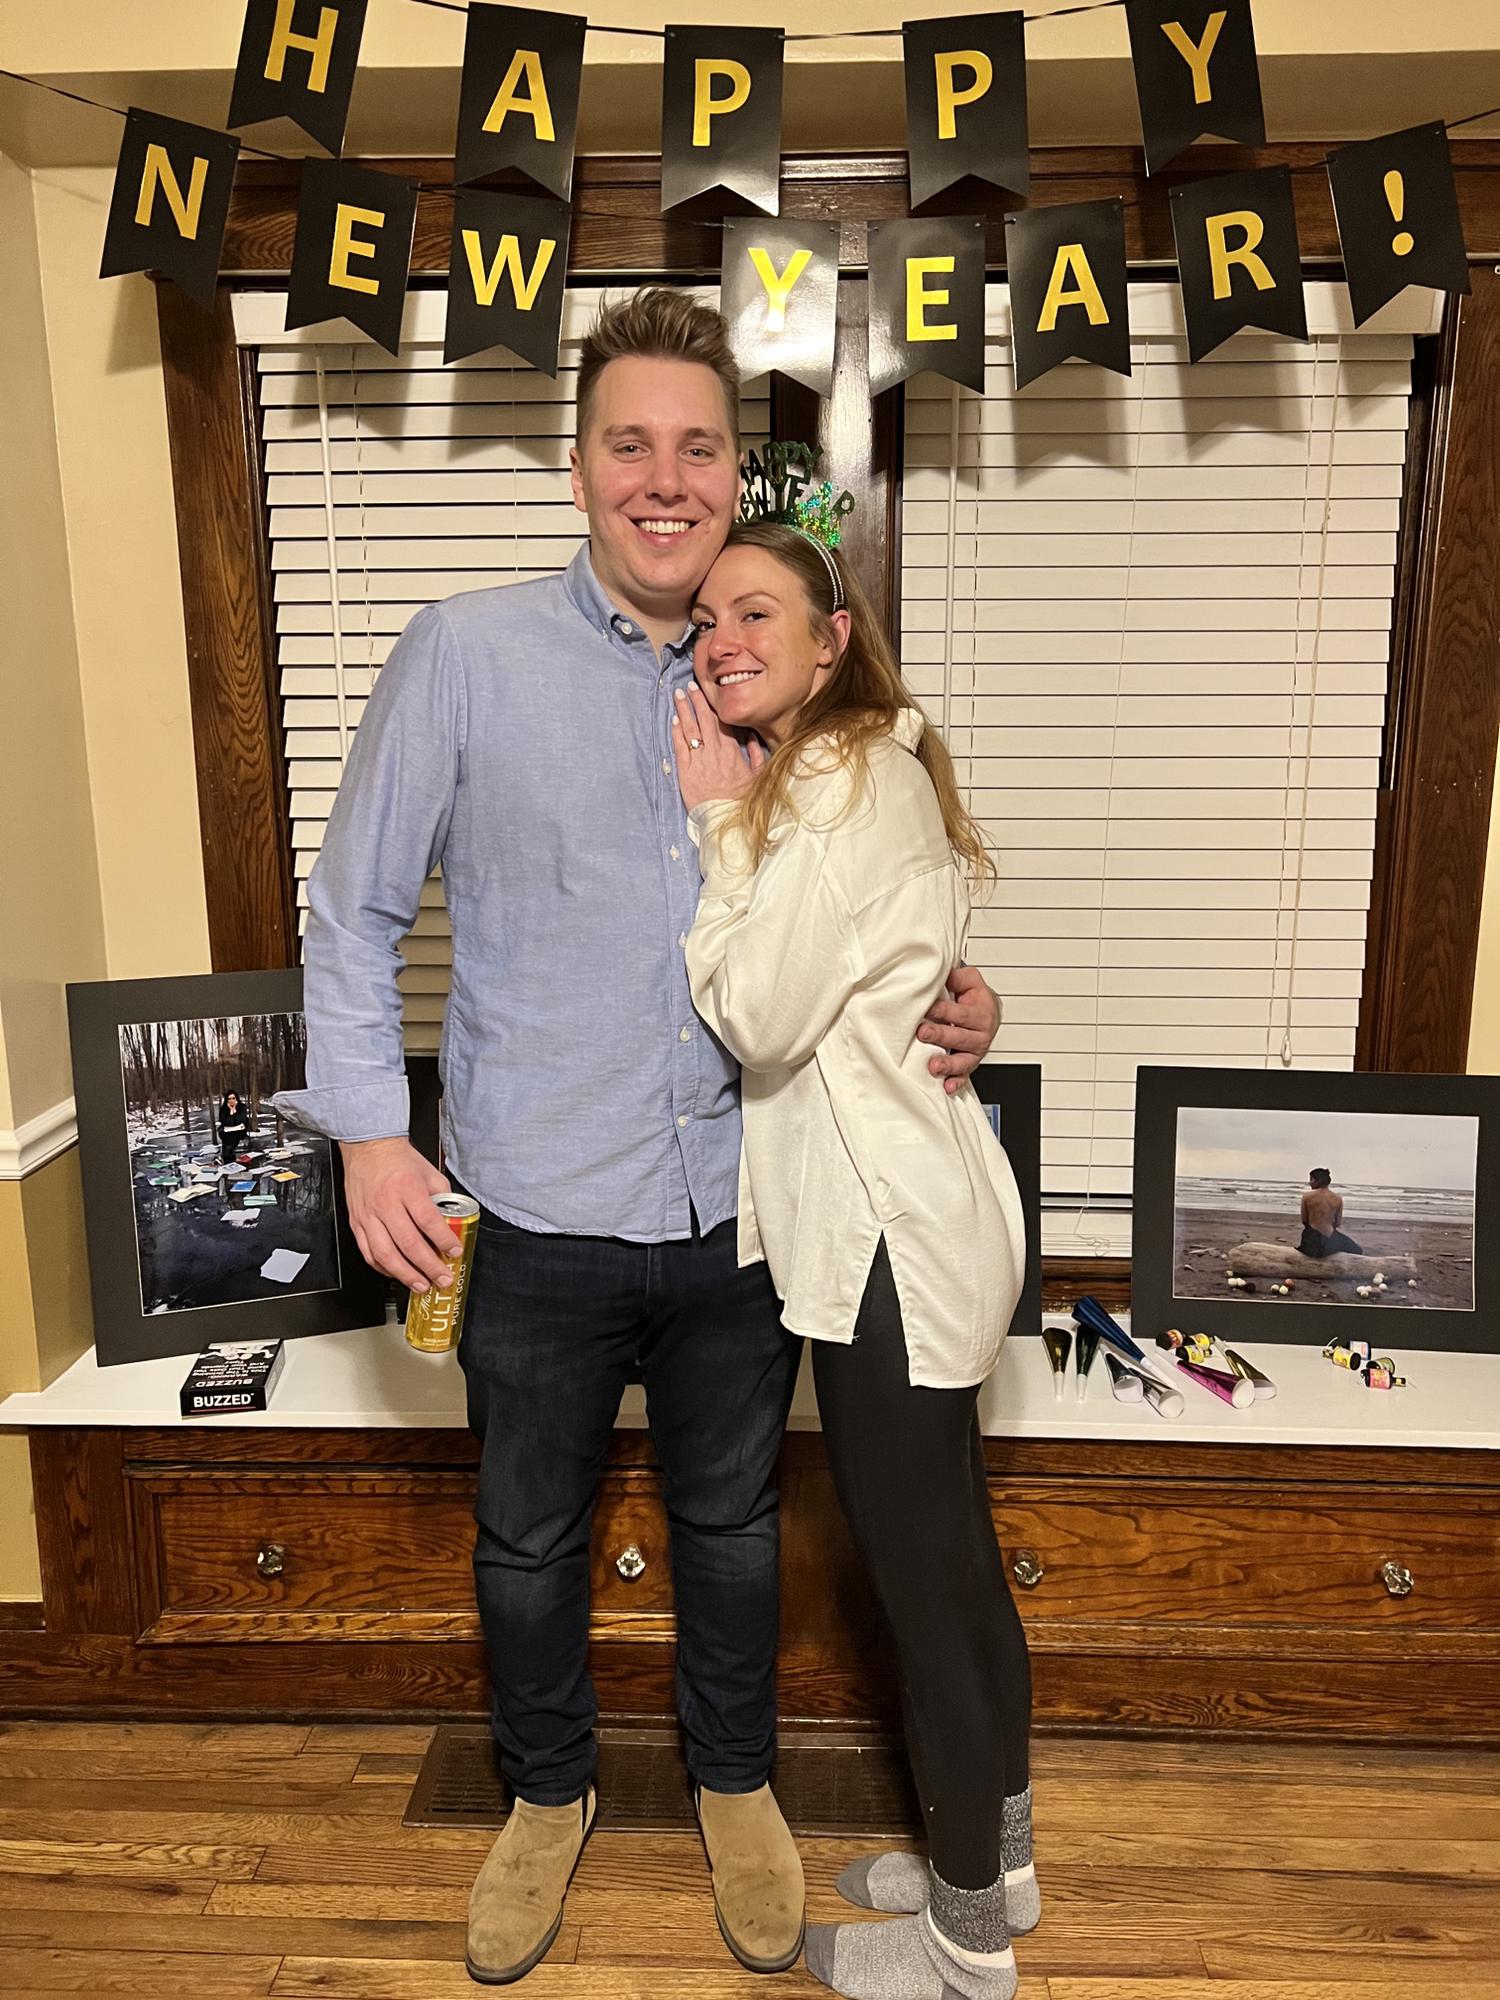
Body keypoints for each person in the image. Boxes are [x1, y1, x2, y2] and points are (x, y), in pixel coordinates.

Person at [269, 289, 1002, 1987]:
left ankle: (736, 1784)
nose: (664, 479)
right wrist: (371, 1136)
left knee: (734, 1524)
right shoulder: (464, 655)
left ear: (736, 471)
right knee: (528, 1539)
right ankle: (547, 1792)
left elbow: (878, 889)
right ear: (580, 465)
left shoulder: (784, 668)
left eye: (697, 448)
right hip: (530, 1208)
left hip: (743, 1209)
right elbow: (351, 911)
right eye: (630, 445)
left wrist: (959, 996)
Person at [675, 520, 1033, 2000]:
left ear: (833, 640)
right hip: (934, 1219)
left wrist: (718, 825)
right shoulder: (880, 763)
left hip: (889, 1242)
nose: (722, 639)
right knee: (961, 1567)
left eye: (756, 612)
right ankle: (997, 1864)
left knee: (925, 1594)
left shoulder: (823, 779)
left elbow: (759, 1016)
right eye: (706, 619)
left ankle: (963, 1949)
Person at [1299, 1167, 1363, 1257]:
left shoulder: (1307, 1196)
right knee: (1358, 1250)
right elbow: (1337, 1223)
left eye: (1311, 1179)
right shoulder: (1338, 1198)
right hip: (1330, 1240)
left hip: (1312, 1240)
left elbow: (1304, 1221)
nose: (1309, 1182)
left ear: (1319, 1181)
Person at [217, 1091, 250, 1163]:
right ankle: (228, 1157)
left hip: (239, 1130)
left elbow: (240, 1120)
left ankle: (227, 1157)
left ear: (236, 1098)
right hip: (226, 1131)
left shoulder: (242, 1107)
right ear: (227, 1100)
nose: (231, 1100)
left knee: (230, 1144)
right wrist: (231, 1111)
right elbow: (227, 1122)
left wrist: (234, 1110)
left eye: (233, 1098)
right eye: (229, 1099)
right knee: (226, 1139)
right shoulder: (223, 1109)